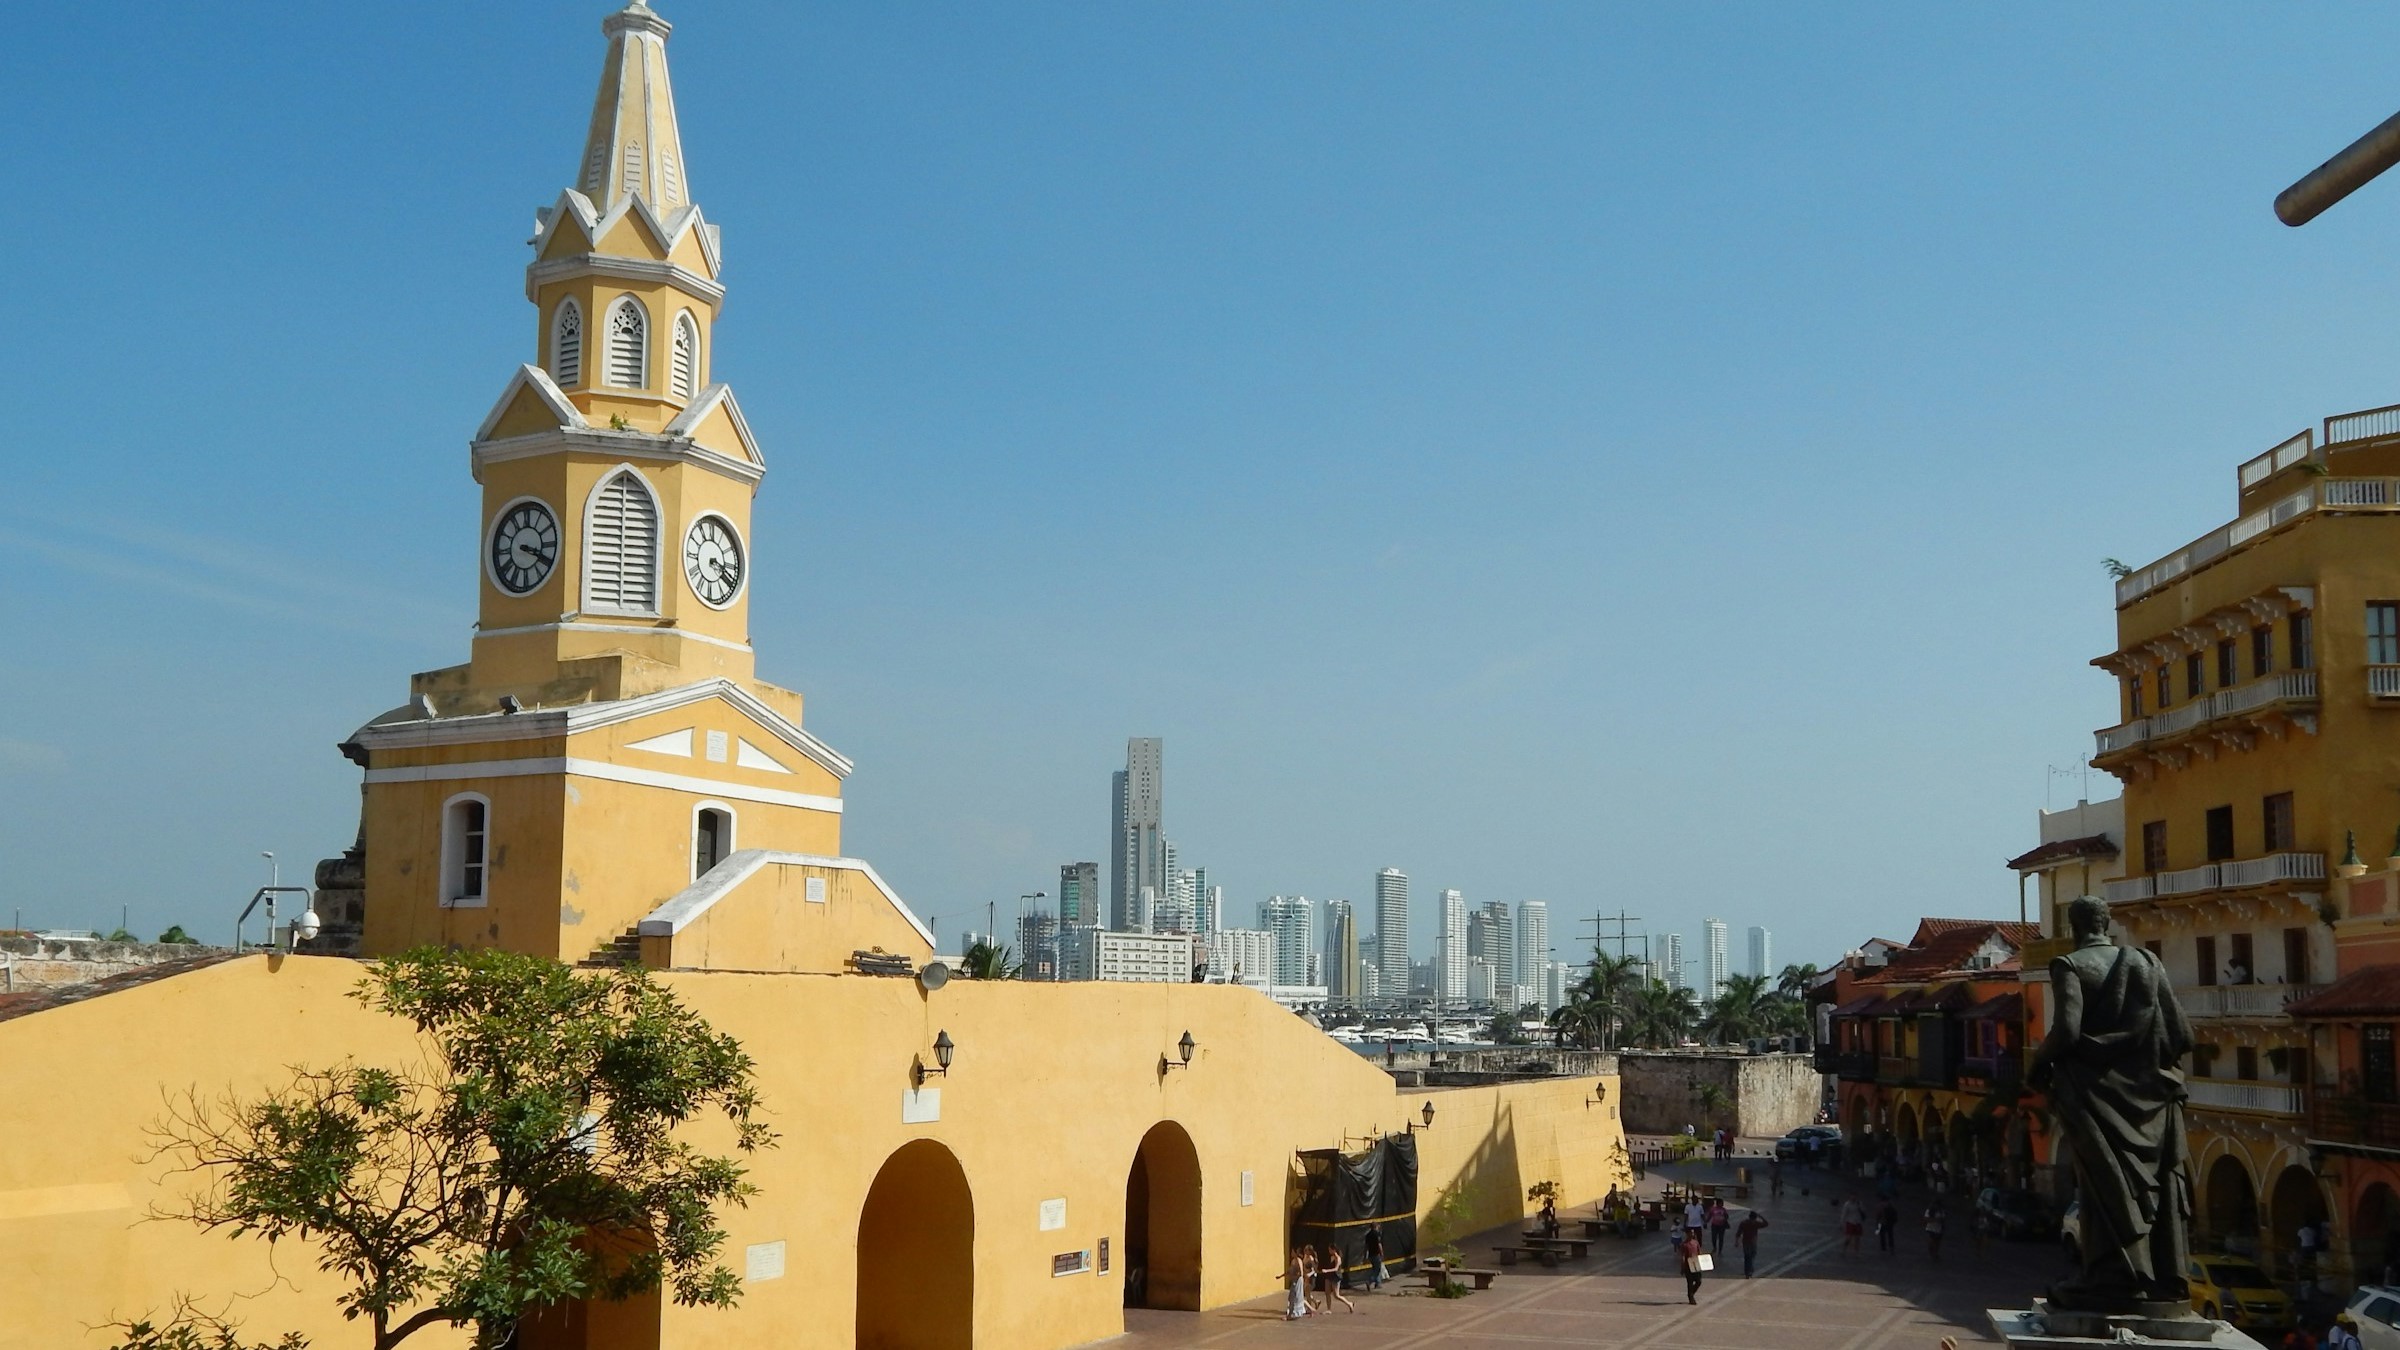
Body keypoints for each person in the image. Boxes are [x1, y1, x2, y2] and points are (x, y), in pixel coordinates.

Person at [2028, 895, 2196, 1310]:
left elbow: (2067, 1031)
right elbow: (2183, 1035)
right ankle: (2163, 1277)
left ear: (2073, 927)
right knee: (2154, 1184)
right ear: (2108, 922)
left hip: (2093, 1094)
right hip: (2152, 1096)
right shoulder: (2148, 964)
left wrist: (2037, 1063)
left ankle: (2110, 1279)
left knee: (2104, 1186)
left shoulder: (2070, 966)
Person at [1318, 1242, 1355, 1314]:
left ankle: (1349, 1303)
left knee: (1336, 1295)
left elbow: (1336, 1268)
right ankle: (1329, 1309)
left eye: (1330, 1250)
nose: (1329, 1251)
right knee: (1327, 1292)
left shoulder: (1338, 1258)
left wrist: (1326, 1270)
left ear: (1334, 1250)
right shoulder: (1331, 1257)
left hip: (1336, 1277)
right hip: (1329, 1276)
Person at [1736, 1210, 1769, 1278]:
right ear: (1755, 1217)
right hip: (1753, 1242)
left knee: (1747, 1257)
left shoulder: (1744, 1223)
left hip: (1745, 1241)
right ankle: (1750, 1270)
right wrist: (1761, 1217)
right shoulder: (1756, 1223)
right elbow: (1766, 1223)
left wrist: (1736, 1241)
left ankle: (1747, 1272)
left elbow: (1738, 1233)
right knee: (1752, 1256)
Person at [1679, 1229, 1707, 1305]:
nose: (1692, 1234)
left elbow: (1699, 1252)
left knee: (1699, 1281)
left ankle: (1691, 1293)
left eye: (1693, 1233)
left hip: (1696, 1264)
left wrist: (1703, 1262)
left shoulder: (1695, 1243)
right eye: (1691, 1233)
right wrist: (1682, 1267)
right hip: (1688, 1265)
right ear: (1687, 1234)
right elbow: (1683, 1256)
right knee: (1690, 1282)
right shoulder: (1684, 1245)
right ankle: (1691, 1298)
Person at [1284, 1246, 1310, 1320]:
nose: (1291, 1253)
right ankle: (1292, 1313)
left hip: (1298, 1281)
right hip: (1294, 1281)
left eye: (1292, 1252)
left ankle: (1293, 1314)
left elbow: (1301, 1273)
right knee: (1292, 1297)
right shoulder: (1293, 1261)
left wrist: (1295, 1276)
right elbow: (1289, 1271)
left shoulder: (1299, 1260)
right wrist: (1281, 1276)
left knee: (1295, 1297)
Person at [1363, 1223, 1386, 1291]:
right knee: (1377, 1270)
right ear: (1375, 1227)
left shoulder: (1368, 1235)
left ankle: (1378, 1283)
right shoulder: (1377, 1234)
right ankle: (1370, 1281)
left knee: (1375, 1268)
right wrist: (1382, 1253)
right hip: (1376, 1254)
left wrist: (1365, 1256)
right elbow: (1379, 1245)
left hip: (1371, 1255)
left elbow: (1366, 1247)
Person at [1300, 1246, 1320, 1314]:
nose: (1305, 1251)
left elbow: (1315, 1270)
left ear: (1310, 1251)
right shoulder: (1305, 1256)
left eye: (1306, 1250)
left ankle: (1309, 1308)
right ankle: (1315, 1302)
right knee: (1307, 1292)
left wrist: (1309, 1274)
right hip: (1306, 1276)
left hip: (1311, 1277)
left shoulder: (1311, 1259)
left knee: (1307, 1292)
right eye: (1304, 1250)